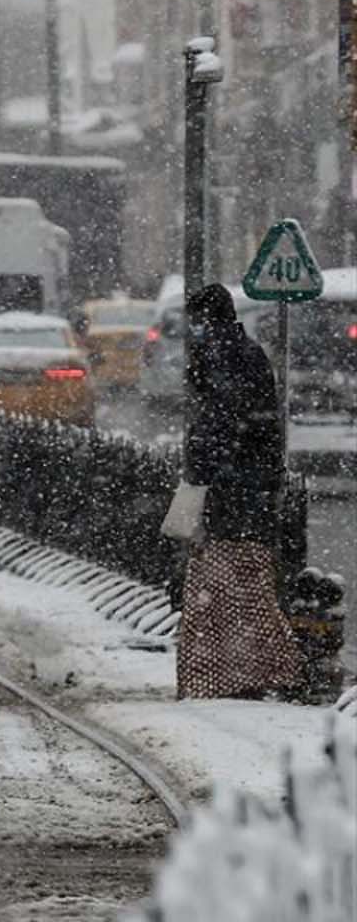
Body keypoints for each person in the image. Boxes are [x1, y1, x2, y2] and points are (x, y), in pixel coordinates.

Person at [178, 283, 303, 700]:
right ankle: (253, 668)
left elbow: (221, 422)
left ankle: (246, 671)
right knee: (246, 578)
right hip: (250, 482)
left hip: (234, 486)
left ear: (204, 320)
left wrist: (200, 470)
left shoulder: (223, 356)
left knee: (231, 582)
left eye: (193, 321)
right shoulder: (243, 350)